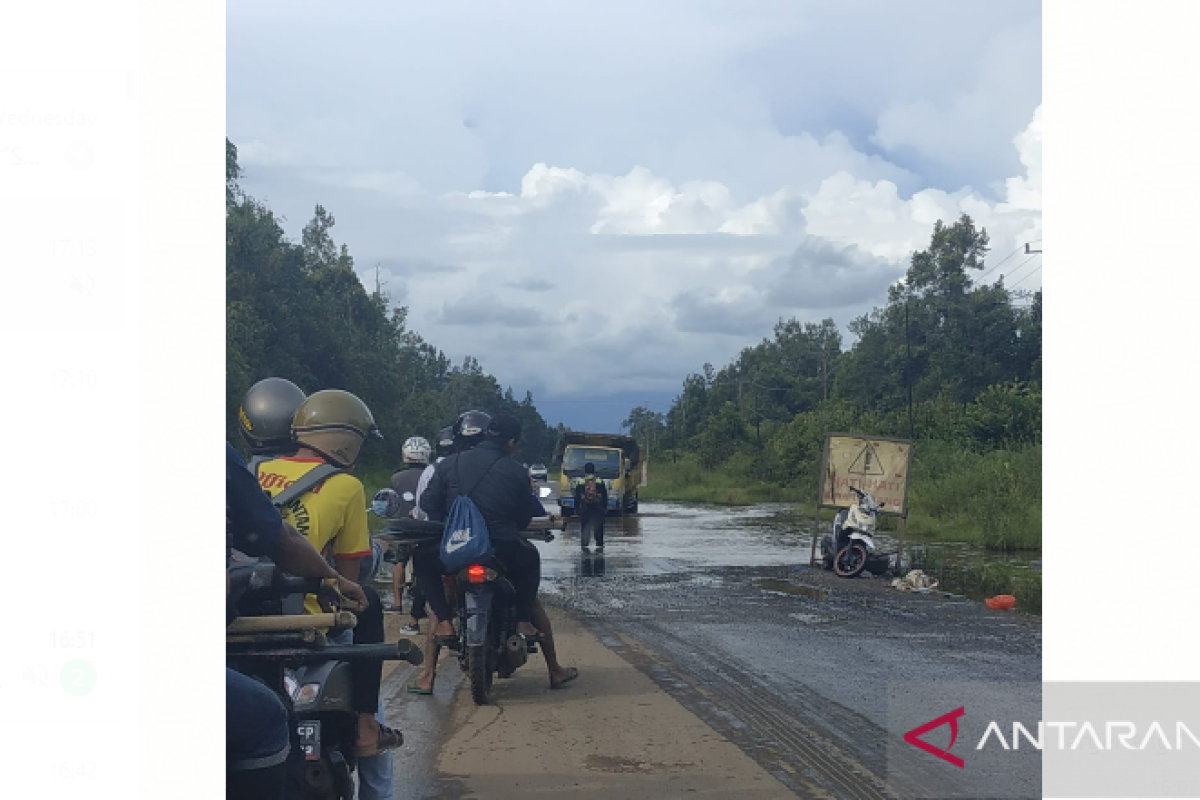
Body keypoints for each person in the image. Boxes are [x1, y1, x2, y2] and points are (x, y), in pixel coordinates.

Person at [240, 379, 396, 798]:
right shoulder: (346, 486)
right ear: (349, 441)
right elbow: (351, 579)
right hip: (313, 621)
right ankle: (366, 731)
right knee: (367, 611)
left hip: (240, 615)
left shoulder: (247, 471)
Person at [226, 442, 369, 800]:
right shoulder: (347, 485)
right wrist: (331, 579)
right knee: (266, 720)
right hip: (293, 605)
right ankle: (368, 730)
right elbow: (282, 540)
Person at [417, 411, 578, 692]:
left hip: (455, 551)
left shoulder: (448, 464)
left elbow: (429, 505)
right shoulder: (515, 470)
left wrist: (453, 523)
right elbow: (525, 516)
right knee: (530, 560)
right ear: (511, 443)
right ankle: (528, 629)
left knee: (422, 559)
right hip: (499, 551)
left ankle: (441, 629)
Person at [390, 436, 432, 633]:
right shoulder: (432, 474)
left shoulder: (396, 478)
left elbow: (390, 502)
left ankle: (397, 603)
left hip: (403, 527)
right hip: (425, 526)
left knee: (399, 561)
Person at [574, 461, 609, 552]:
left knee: (585, 529)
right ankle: (599, 546)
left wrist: (577, 509)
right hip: (598, 509)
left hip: (585, 509)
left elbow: (577, 497)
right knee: (598, 529)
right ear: (594, 471)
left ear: (585, 471)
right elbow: (605, 496)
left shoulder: (581, 482)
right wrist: (605, 508)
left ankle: (585, 547)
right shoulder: (599, 481)